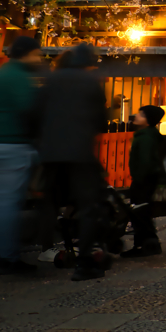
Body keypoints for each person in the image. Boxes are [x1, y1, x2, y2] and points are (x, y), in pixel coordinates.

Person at [34, 42, 108, 281]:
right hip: (79, 153)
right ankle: (85, 261)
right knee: (87, 206)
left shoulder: (50, 81)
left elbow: (36, 114)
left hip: (50, 153)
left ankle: (45, 248)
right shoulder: (91, 83)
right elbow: (101, 121)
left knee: (50, 202)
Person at [0, 37, 43, 275]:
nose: (39, 59)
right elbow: (30, 109)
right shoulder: (19, 78)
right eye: (37, 54)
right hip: (14, 143)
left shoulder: (4, 72)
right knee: (9, 203)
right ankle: (7, 256)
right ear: (27, 54)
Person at [121, 105, 166, 258]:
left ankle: (146, 244)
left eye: (141, 114)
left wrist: (139, 178)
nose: (136, 116)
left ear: (148, 120)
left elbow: (145, 161)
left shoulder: (145, 137)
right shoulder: (147, 135)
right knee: (142, 211)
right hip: (147, 179)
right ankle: (145, 244)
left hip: (143, 180)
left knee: (140, 212)